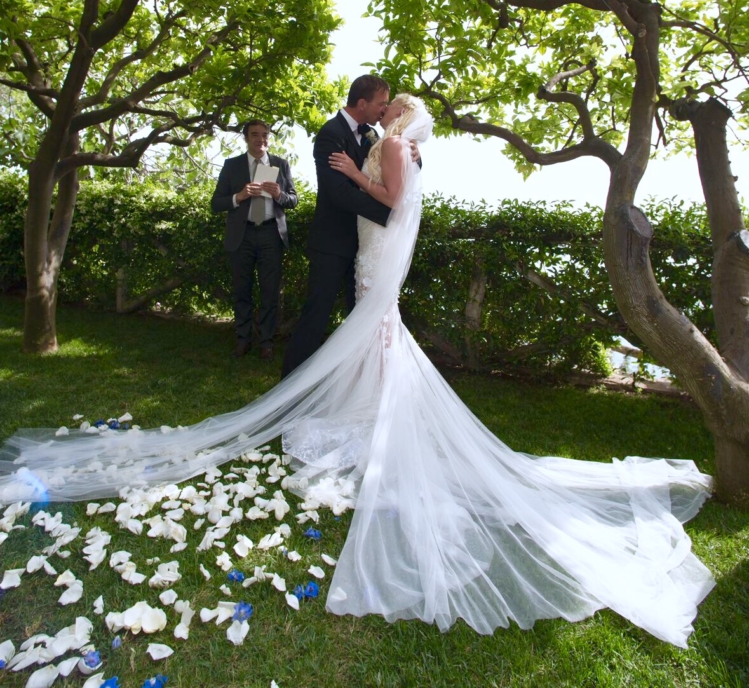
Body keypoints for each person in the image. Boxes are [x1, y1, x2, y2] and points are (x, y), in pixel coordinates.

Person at [0, 95, 714, 649]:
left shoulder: (396, 146)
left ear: (404, 119)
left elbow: (394, 201)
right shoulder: (387, 142)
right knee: (375, 334)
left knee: (377, 330)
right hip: (371, 250)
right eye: (386, 104)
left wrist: (351, 174)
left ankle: (378, 411)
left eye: (394, 106)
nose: (388, 111)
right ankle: (370, 407)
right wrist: (349, 167)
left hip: (377, 247)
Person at [280, 74, 392, 377]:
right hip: (332, 243)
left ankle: (356, 388)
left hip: (364, 245)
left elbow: (394, 169)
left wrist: (414, 154)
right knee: (316, 317)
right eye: (381, 103)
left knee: (363, 319)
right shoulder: (331, 133)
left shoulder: (372, 134)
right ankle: (289, 389)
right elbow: (338, 193)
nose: (384, 109)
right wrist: (389, 214)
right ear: (361, 103)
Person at [211, 119, 298, 360]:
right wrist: (238, 196)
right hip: (243, 234)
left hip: (271, 233)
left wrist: (279, 194)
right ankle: (243, 339)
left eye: (265, 134)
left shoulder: (280, 164)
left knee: (270, 291)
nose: (261, 139)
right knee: (242, 289)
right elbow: (216, 203)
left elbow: (293, 200)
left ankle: (267, 342)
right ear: (246, 138)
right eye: (255, 134)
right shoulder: (232, 166)